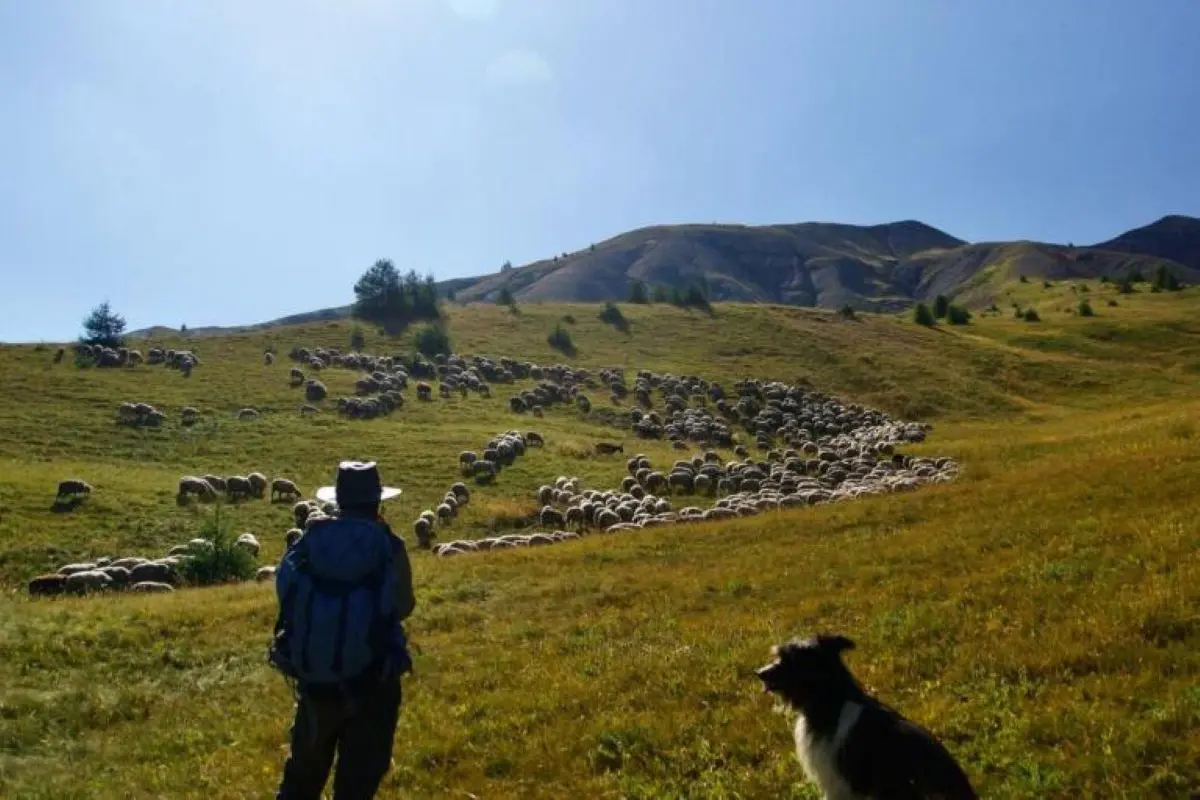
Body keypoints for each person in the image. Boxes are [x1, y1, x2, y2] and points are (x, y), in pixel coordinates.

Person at [270, 461, 416, 800]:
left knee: (302, 776)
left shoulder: (312, 541)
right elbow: (403, 605)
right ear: (378, 501)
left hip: (316, 678)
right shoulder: (389, 545)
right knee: (357, 780)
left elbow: (286, 594)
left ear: (339, 501)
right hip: (372, 680)